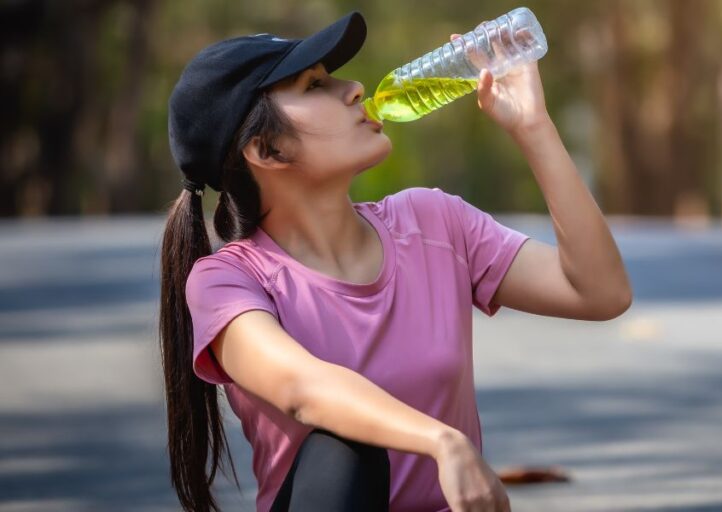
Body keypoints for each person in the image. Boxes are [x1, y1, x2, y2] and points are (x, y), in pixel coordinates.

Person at [158, 9, 632, 512]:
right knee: (343, 446)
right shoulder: (227, 280)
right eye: (315, 85)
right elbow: (304, 388)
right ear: (267, 149)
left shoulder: (432, 222)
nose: (356, 87)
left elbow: (599, 292)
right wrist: (441, 440)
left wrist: (533, 127)